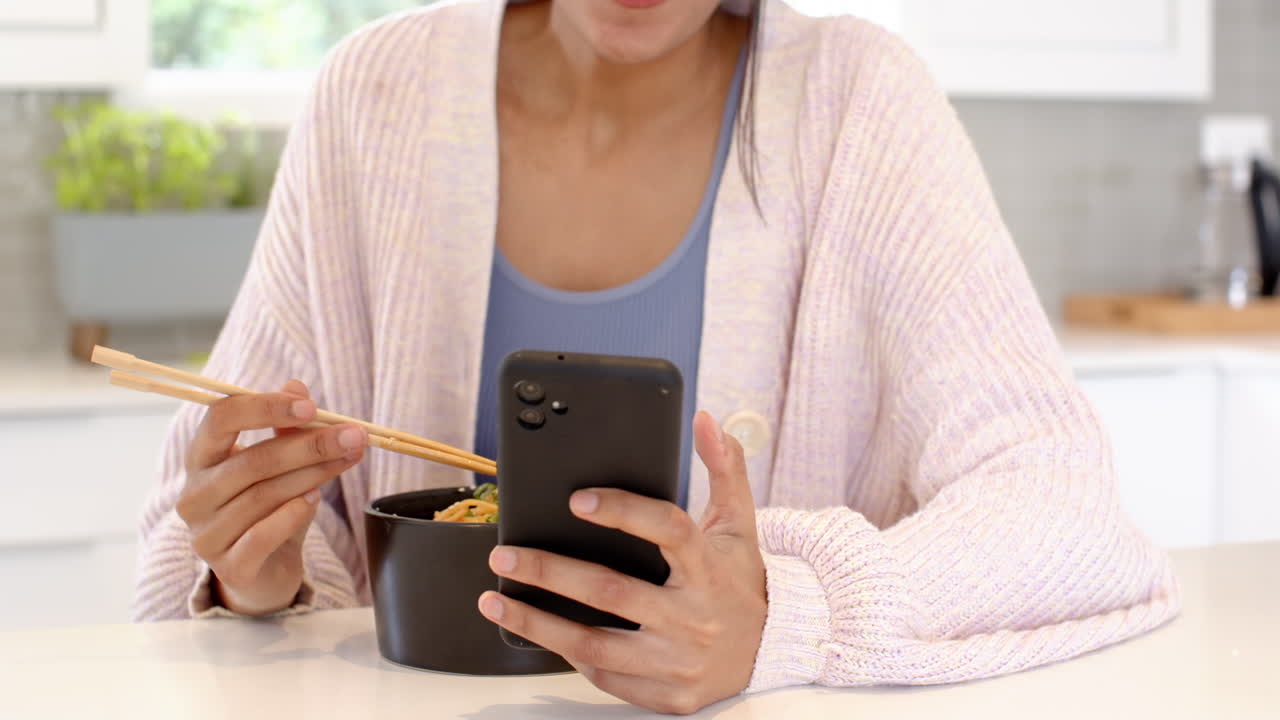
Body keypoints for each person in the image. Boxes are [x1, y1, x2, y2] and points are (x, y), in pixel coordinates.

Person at [134, 0, 1180, 714]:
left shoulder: (860, 104)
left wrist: (782, 616)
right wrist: (253, 578)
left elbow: (1066, 512)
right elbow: (202, 548)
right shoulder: (372, 98)